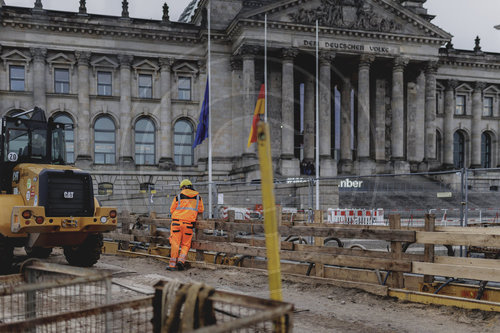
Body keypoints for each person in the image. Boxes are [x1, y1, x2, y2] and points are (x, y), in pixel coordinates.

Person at [167, 179, 204, 271]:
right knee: (186, 244)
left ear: (183, 187)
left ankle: (172, 265)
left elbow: (172, 210)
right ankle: (181, 261)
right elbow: (201, 210)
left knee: (175, 243)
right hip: (188, 225)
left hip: (176, 223)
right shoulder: (198, 198)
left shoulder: (178, 197)